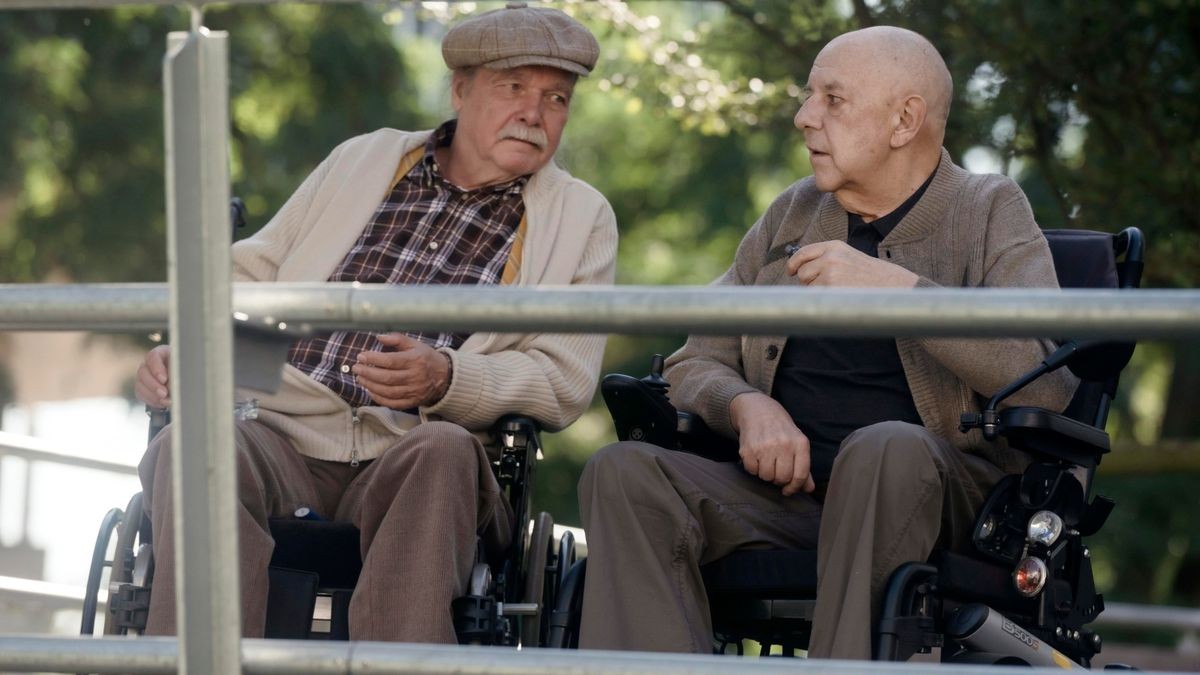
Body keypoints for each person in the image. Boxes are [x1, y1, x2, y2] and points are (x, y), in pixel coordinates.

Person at [577, 25, 1076, 660]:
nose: (804, 117)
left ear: (904, 121)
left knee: (884, 448)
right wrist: (746, 407)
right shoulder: (795, 212)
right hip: (790, 498)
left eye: (832, 100)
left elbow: (1041, 378)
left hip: (941, 496)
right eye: (808, 96)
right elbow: (693, 360)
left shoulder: (988, 208)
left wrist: (897, 290)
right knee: (623, 472)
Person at [134, 3, 616, 643]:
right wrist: (190, 350)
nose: (534, 113)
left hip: (413, 449)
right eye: (513, 88)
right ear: (461, 89)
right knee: (192, 446)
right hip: (278, 430)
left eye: (556, 99)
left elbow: (562, 381)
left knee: (443, 451)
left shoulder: (580, 216)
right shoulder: (365, 158)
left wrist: (448, 377)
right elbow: (246, 282)